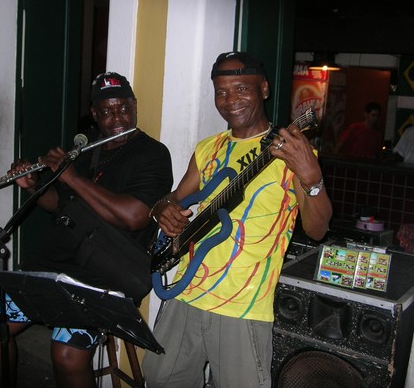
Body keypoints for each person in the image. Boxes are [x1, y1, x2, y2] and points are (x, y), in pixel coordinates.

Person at [142, 52, 332, 388]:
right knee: (158, 380)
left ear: (264, 89)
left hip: (243, 307)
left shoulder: (292, 151)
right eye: (221, 91)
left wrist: (312, 178)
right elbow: (175, 198)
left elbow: (318, 229)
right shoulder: (207, 148)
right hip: (185, 292)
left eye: (241, 88)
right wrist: (160, 208)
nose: (230, 100)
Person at [0, 72, 173, 388]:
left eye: (124, 108)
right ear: (94, 114)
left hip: (107, 271)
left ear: (134, 105)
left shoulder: (152, 153)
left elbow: (135, 216)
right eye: (107, 111)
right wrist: (34, 186)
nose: (118, 118)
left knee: (67, 354)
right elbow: (60, 203)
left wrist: (70, 176)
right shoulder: (87, 149)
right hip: (60, 262)